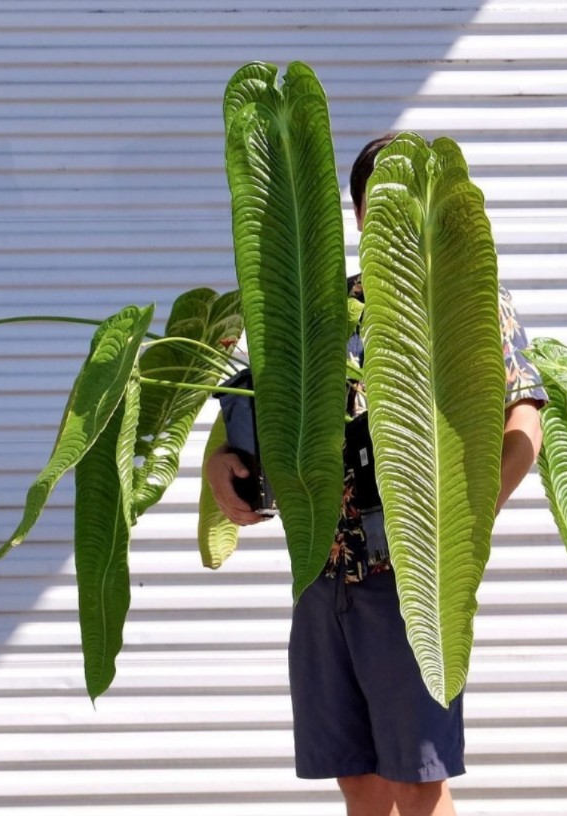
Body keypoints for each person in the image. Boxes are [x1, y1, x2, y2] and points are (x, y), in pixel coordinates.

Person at [206, 134, 549, 816]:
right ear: (362, 215)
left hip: (408, 583)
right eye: (384, 205)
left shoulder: (469, 304)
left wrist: (459, 523)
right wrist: (222, 466)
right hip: (322, 574)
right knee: (356, 777)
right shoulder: (324, 310)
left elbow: (524, 424)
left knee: (417, 780)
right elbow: (259, 416)